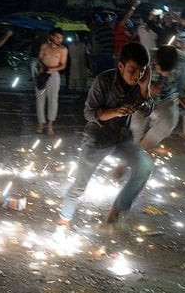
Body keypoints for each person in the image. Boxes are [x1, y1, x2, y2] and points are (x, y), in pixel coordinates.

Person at [58, 42, 154, 226]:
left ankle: (117, 209)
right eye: (133, 70)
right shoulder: (103, 81)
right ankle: (64, 219)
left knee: (145, 166)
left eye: (142, 71)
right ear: (121, 66)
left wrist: (145, 89)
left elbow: (147, 110)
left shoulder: (140, 84)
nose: (137, 75)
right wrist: (115, 112)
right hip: (98, 138)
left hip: (122, 139)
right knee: (79, 185)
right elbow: (89, 113)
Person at [130, 45, 185, 150]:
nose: (164, 74)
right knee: (136, 126)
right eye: (160, 69)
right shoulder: (144, 58)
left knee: (168, 122)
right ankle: (128, 151)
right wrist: (146, 87)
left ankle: (140, 150)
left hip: (166, 99)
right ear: (156, 61)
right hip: (142, 98)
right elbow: (129, 79)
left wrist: (184, 96)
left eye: (167, 71)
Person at [35, 27, 68, 136]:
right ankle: (41, 123)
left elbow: (63, 65)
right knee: (40, 99)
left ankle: (50, 125)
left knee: (53, 100)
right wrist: (41, 67)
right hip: (42, 74)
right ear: (52, 36)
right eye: (57, 37)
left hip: (53, 75)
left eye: (61, 38)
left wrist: (51, 70)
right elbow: (40, 58)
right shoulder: (44, 46)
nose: (59, 40)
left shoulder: (63, 49)